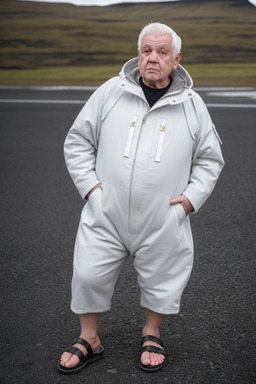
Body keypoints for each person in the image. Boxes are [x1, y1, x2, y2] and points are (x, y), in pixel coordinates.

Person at [57, 22, 224, 374]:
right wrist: (90, 188)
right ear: (138, 54)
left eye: (162, 52)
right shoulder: (110, 92)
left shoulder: (192, 105)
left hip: (163, 216)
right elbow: (78, 141)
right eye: (146, 50)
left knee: (163, 276)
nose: (153, 58)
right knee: (88, 273)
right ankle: (90, 338)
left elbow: (210, 159)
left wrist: (191, 199)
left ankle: (152, 331)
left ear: (176, 59)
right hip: (106, 210)